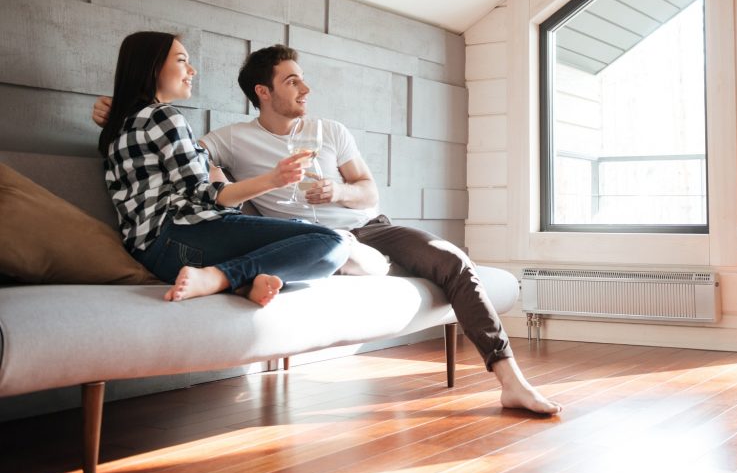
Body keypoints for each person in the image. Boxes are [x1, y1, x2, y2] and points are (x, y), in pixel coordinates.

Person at [94, 44, 562, 415]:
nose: (306, 88)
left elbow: (369, 193)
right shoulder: (232, 140)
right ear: (262, 91)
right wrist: (116, 112)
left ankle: (510, 381)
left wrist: (337, 193)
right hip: (298, 237)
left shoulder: (331, 131)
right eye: (292, 80)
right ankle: (358, 266)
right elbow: (182, 161)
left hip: (370, 227)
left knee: (452, 260)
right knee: (345, 253)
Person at [98, 32, 351, 308]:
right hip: (183, 234)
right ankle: (221, 277)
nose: (192, 70)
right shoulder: (164, 116)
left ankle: (243, 283)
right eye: (182, 61)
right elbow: (201, 194)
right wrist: (273, 179)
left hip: (153, 256)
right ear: (153, 66)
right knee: (331, 242)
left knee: (300, 232)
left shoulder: (115, 130)